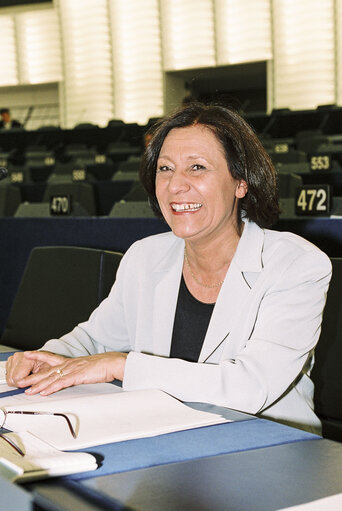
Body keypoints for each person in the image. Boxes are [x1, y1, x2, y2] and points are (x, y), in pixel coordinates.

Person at [6, 103, 331, 434]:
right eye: (165, 169)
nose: (176, 185)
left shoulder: (297, 265)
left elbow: (251, 387)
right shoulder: (145, 256)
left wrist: (122, 366)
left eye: (197, 167)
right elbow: (94, 340)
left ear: (241, 182)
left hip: (270, 450)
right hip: (167, 436)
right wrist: (45, 357)